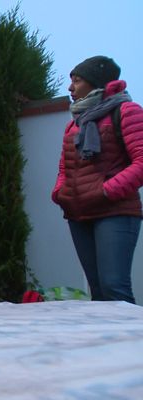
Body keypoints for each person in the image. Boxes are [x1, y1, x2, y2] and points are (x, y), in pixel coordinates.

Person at [52, 56, 143, 304]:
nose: (70, 88)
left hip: (115, 210)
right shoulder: (74, 124)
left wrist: (107, 191)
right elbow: (64, 166)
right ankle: (109, 344)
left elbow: (141, 162)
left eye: (77, 80)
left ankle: (133, 343)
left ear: (97, 83)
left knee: (115, 287)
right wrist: (60, 192)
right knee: (98, 291)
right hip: (79, 213)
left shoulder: (126, 111)